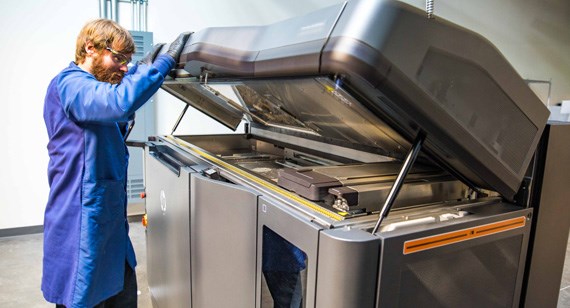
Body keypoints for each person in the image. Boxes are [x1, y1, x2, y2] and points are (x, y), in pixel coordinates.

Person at [42, 19, 189, 307]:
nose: (123, 67)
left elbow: (116, 113)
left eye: (127, 61)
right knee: (83, 294)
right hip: (81, 218)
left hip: (107, 219)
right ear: (90, 48)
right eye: (118, 58)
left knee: (119, 292)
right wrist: (159, 66)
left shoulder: (94, 88)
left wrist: (137, 70)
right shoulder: (71, 85)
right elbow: (118, 103)